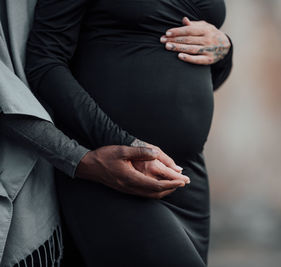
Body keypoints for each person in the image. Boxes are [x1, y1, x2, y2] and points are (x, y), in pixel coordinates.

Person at [25, 0, 233, 266]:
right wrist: (123, 144)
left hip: (186, 176)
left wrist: (224, 49)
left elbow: (200, 72)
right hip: (114, 169)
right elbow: (44, 62)